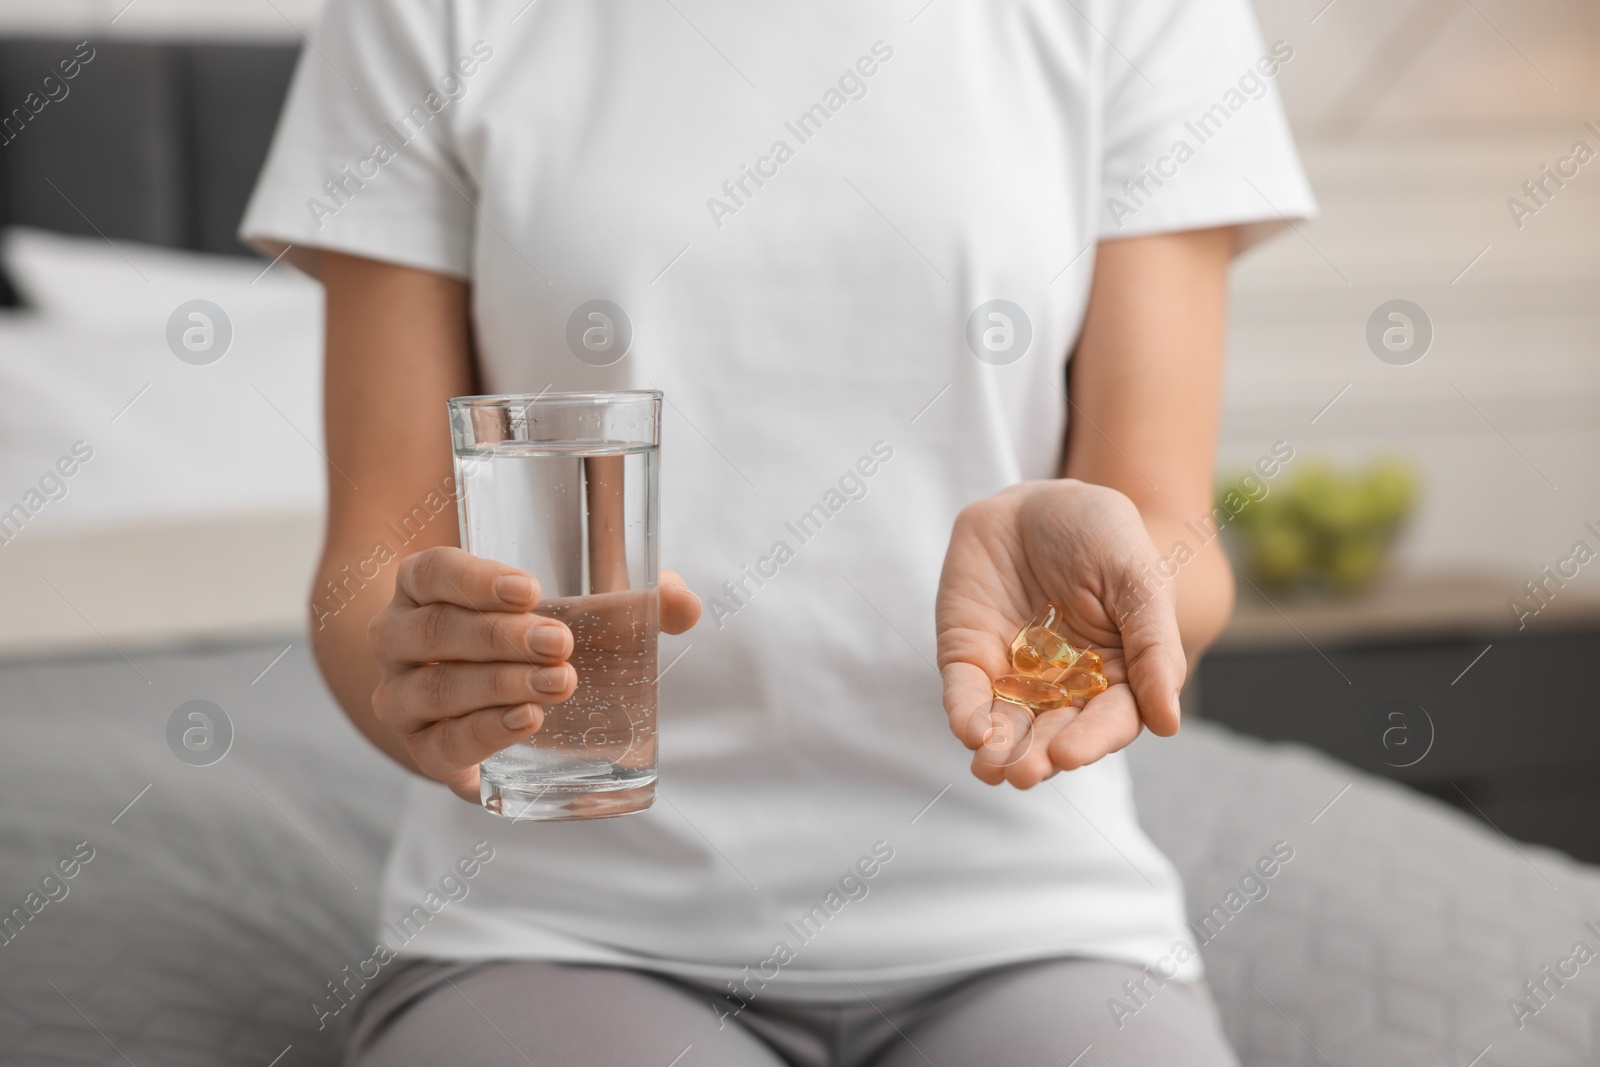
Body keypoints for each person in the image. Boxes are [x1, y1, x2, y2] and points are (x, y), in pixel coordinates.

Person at [242, 0, 1313, 1062]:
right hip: (560, 926)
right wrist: (436, 668)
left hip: (1032, 921)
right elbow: (374, 559)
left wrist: (1100, 601)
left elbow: (1169, 531)